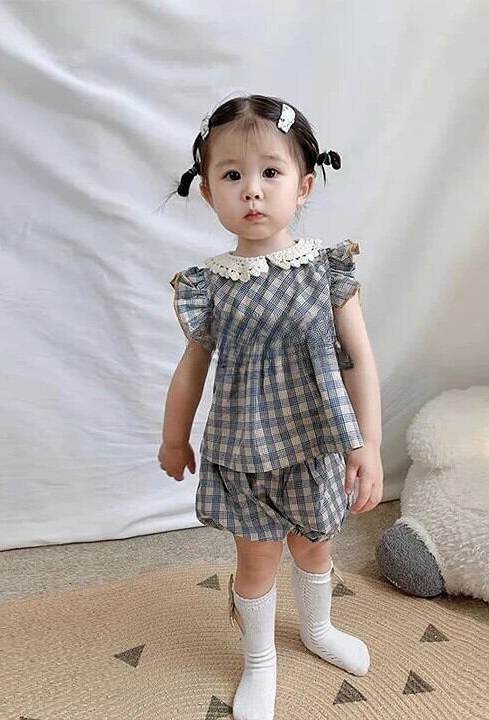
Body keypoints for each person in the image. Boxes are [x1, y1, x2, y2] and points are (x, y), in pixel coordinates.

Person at [158, 94, 383, 720]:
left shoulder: (326, 271)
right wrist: (174, 438)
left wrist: (368, 445)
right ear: (209, 192)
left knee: (315, 547)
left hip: (315, 445)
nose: (252, 190)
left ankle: (318, 628)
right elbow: (191, 369)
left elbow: (359, 359)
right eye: (233, 175)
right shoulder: (210, 286)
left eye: (271, 172)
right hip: (243, 451)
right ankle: (260, 659)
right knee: (256, 559)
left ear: (303, 185)